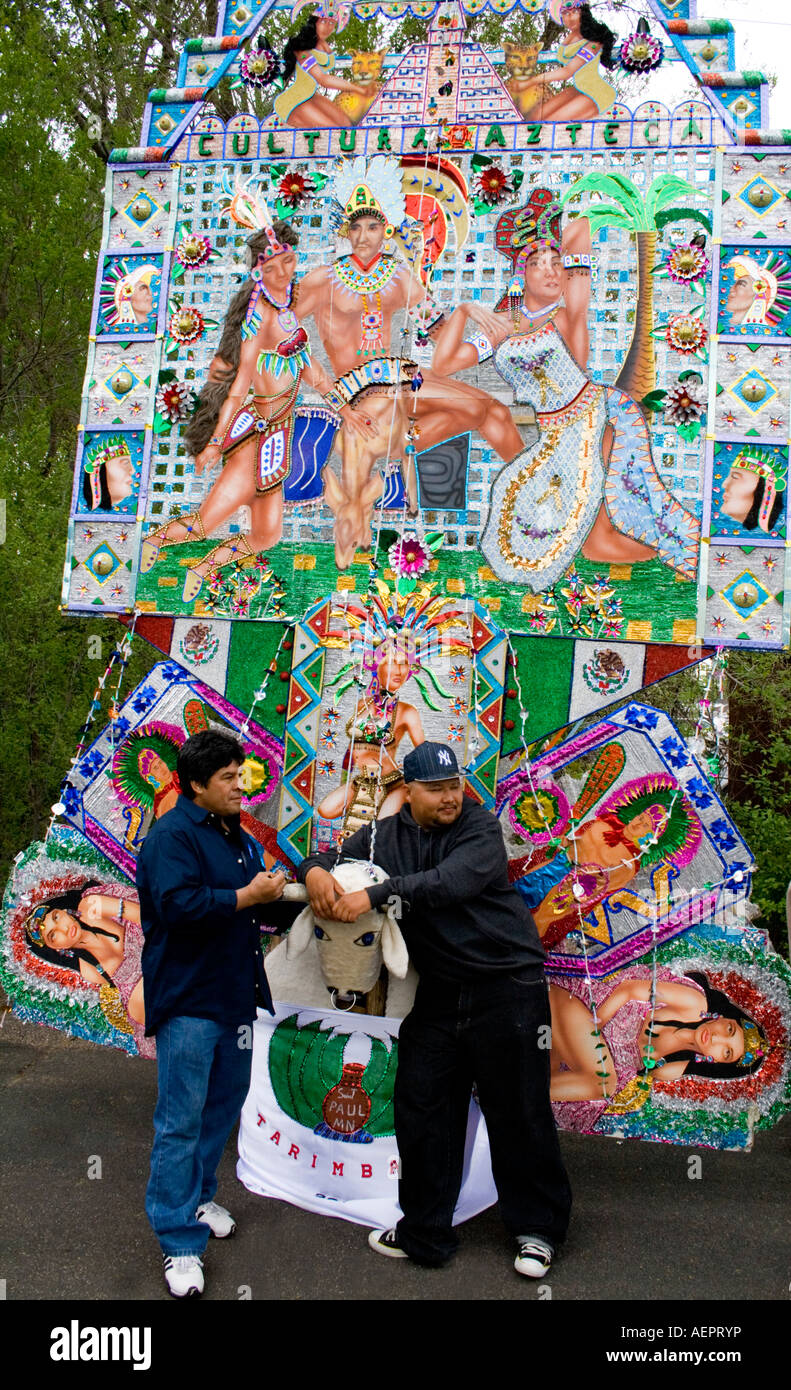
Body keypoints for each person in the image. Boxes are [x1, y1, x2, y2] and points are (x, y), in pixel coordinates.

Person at [298, 740, 572, 1278]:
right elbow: (331, 859)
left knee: (518, 1110)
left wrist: (373, 897)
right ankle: (425, 1230)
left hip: (507, 987)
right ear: (409, 791)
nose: (451, 797)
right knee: (422, 1106)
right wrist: (313, 873)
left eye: (455, 785)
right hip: (442, 992)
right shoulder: (385, 835)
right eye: (437, 788)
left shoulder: (479, 827)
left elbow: (451, 884)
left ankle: (536, 1230)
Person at [432, 188, 700, 590]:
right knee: (514, 490)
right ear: (520, 274)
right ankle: (612, 545)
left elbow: (579, 229)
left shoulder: (568, 314)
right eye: (538, 264)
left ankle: (654, 548)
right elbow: (444, 364)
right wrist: (467, 311)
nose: (551, 271)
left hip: (591, 413)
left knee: (592, 509)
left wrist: (559, 205)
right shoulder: (504, 326)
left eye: (557, 263)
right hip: (552, 429)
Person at [296, 155, 525, 568]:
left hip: (405, 380)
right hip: (359, 395)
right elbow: (282, 337)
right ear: (346, 231)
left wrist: (491, 330)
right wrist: (336, 400)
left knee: (493, 412)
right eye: (356, 227)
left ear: (387, 229)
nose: (364, 237)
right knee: (353, 498)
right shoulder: (320, 282)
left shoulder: (400, 275)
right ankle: (407, 456)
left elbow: (437, 331)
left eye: (373, 226)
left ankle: (531, 504)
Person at [140, 196, 373, 602]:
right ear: (258, 273)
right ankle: (153, 543)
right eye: (271, 267)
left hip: (278, 441)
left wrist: (346, 409)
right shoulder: (259, 318)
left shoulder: (286, 310)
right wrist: (215, 443)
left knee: (266, 535)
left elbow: (311, 369)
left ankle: (205, 566)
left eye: (286, 261)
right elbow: (239, 386)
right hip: (255, 438)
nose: (282, 272)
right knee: (202, 526)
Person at [136, 730, 291, 1298]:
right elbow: (178, 906)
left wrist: (278, 896)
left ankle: (199, 1199)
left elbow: (250, 902)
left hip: (235, 996)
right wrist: (247, 897)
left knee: (221, 1109)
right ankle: (178, 1242)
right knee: (179, 1122)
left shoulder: (238, 834)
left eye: (241, 773)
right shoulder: (170, 837)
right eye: (228, 777)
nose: (240, 784)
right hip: (190, 1002)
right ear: (195, 784)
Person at [547, 964, 769, 1131]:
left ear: (719, 1062)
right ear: (724, 1018)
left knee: (575, 1082)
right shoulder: (694, 1003)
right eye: (729, 1030)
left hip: (569, 1055)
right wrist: (594, 1027)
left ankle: (521, 1092)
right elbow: (629, 989)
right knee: (603, 1082)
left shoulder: (673, 1068)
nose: (717, 1039)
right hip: (578, 1005)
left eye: (726, 1052)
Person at [24, 881, 152, 1058]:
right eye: (53, 935)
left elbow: (144, 915)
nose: (63, 928)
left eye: (56, 917)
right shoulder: (90, 971)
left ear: (63, 911)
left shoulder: (91, 905)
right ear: (54, 948)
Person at [274, 4, 377, 129]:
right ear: (314, 22)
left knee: (347, 125)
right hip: (294, 101)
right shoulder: (302, 50)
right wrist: (358, 89)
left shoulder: (323, 45)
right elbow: (323, 79)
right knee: (334, 132)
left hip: (311, 95)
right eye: (323, 21)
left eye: (332, 23)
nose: (328, 27)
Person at [510, 2, 617, 122]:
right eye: (565, 13)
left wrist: (530, 82)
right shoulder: (571, 37)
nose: (570, 17)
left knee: (551, 124)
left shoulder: (593, 43)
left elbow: (568, 71)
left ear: (584, 13)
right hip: (579, 88)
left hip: (596, 93)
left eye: (575, 12)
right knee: (535, 118)